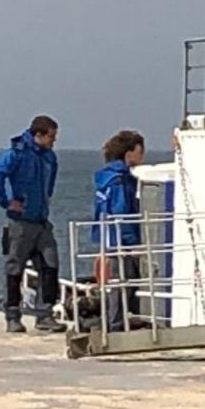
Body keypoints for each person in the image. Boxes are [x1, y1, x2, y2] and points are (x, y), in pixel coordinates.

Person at [0, 114, 60, 334]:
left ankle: (44, 314)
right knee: (15, 269)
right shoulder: (16, 154)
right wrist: (6, 201)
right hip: (20, 222)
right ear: (38, 134)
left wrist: (45, 200)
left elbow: (50, 183)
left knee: (50, 265)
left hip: (41, 220)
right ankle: (12, 315)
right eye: (51, 136)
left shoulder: (50, 158)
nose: (53, 141)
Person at [91, 130, 146, 330]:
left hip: (107, 238)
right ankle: (115, 323)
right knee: (123, 282)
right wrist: (133, 243)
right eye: (140, 151)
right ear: (129, 153)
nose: (142, 156)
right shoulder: (120, 181)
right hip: (120, 240)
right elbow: (122, 213)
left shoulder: (105, 179)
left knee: (117, 282)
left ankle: (114, 319)